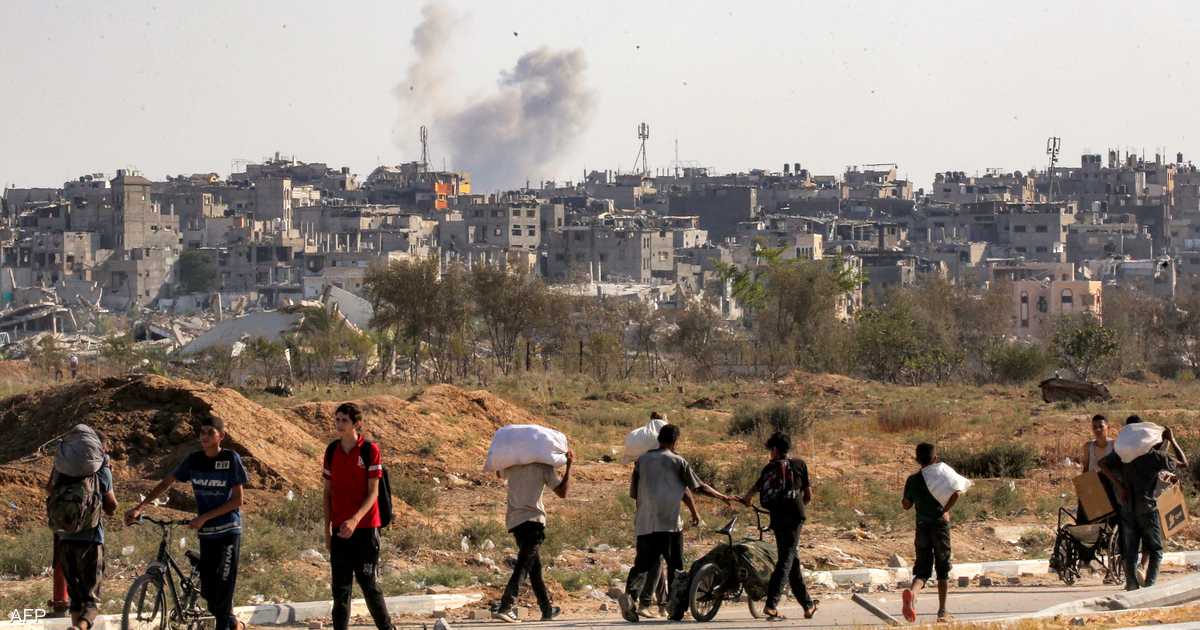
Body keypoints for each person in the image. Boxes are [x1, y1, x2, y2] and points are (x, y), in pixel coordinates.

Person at [125, 417, 248, 630]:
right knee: (209, 594)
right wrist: (140, 507)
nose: (204, 436)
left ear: (221, 436)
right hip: (207, 534)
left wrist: (204, 517)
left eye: (210, 432)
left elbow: (237, 500)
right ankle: (234, 624)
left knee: (223, 590)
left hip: (228, 532)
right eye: (202, 432)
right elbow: (166, 482)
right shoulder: (194, 460)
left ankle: (226, 624)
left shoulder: (230, 459)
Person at [618, 424, 731, 623]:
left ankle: (630, 597)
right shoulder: (678, 461)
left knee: (642, 564)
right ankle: (675, 607)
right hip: (669, 523)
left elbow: (634, 493)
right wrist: (722, 496)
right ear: (675, 441)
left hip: (645, 523)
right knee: (675, 566)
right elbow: (698, 487)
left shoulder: (641, 461)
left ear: (658, 439)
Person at [322, 403, 395, 630]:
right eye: (337, 419)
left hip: (365, 529)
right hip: (340, 531)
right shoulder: (332, 451)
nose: (339, 424)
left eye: (344, 420)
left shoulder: (369, 450)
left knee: (369, 585)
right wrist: (327, 531)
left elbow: (373, 493)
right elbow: (327, 493)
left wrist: (355, 520)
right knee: (340, 590)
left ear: (357, 423)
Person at [737, 431, 818, 621]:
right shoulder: (799, 464)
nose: (770, 453)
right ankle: (772, 605)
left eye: (770, 450)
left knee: (790, 559)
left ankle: (808, 605)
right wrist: (796, 506)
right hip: (795, 518)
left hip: (778, 519)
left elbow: (753, 491)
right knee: (787, 559)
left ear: (774, 449)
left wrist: (746, 499)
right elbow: (808, 496)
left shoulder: (768, 469)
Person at [491, 446, 574, 623]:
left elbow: (499, 473)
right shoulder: (544, 467)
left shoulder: (512, 465)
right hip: (534, 521)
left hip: (515, 522)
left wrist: (503, 455)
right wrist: (569, 466)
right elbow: (563, 493)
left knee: (534, 567)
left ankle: (547, 609)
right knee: (523, 565)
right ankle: (506, 606)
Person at [48, 427, 117, 630]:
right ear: (99, 448)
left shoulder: (61, 469)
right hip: (91, 541)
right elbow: (111, 506)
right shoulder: (101, 471)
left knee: (75, 597)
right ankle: (81, 627)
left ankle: (75, 626)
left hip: (64, 540)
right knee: (91, 599)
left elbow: (49, 490)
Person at [1098, 415, 1177, 590]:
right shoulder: (1153, 456)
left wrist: (1119, 486)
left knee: (1130, 551)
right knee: (1155, 549)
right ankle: (1149, 586)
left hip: (1127, 507)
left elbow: (1101, 463)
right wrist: (1171, 440)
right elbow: (1182, 462)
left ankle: (1132, 585)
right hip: (1147, 507)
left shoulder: (1122, 453)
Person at [901, 443, 959, 624]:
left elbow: (906, 505)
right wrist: (945, 510)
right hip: (940, 526)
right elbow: (956, 493)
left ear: (917, 459)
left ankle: (913, 594)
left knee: (922, 568)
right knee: (942, 568)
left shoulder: (913, 479)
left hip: (922, 526)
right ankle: (942, 611)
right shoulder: (942, 475)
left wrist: (912, 497)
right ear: (935, 458)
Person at [1078, 414, 1114, 523]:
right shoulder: (1088, 446)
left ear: (1108, 427)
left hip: (1109, 484)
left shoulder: (1114, 445)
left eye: (1101, 426)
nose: (1098, 430)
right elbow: (1086, 467)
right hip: (1092, 483)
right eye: (1094, 427)